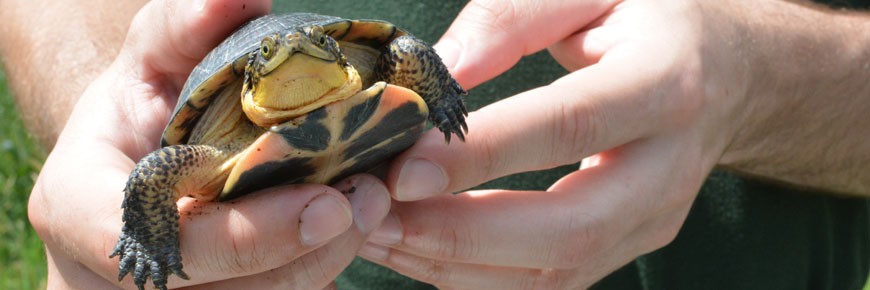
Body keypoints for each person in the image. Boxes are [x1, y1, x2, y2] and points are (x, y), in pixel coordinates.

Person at [1, 0, 868, 289]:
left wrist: (761, 81)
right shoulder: (211, 145)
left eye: (319, 50)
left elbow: (406, 55)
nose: (301, 57)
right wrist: (108, 157)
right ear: (254, 84)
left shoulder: (380, 64)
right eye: (280, 59)